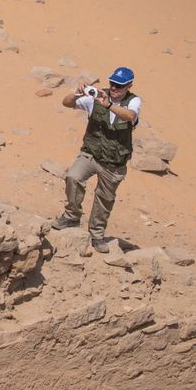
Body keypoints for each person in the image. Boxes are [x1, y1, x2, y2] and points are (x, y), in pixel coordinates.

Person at [53, 66, 142, 253]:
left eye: (120, 85)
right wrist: (76, 94)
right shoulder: (96, 97)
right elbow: (66, 103)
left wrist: (108, 104)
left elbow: (130, 116)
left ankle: (97, 235)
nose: (115, 88)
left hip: (114, 163)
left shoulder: (133, 102)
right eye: (113, 83)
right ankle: (71, 216)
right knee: (73, 177)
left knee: (105, 199)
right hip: (92, 154)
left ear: (129, 86)